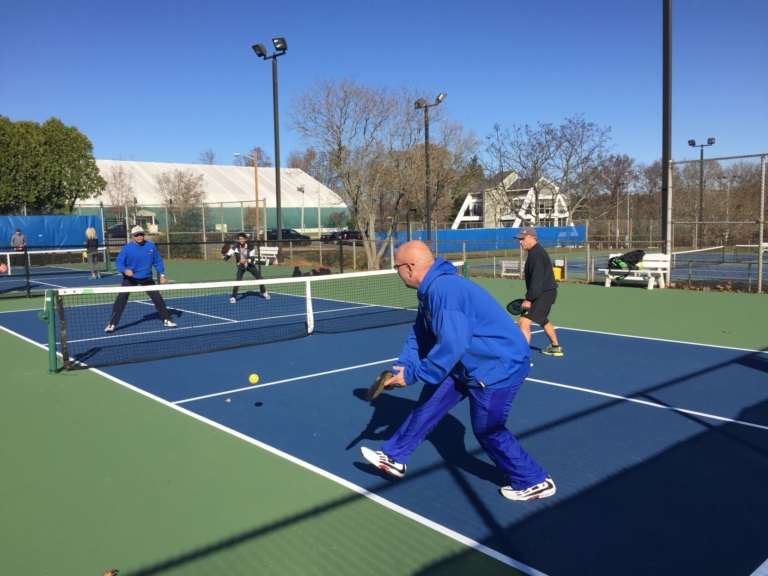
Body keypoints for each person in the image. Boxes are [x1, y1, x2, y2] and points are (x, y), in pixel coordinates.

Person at [360, 241, 555, 501]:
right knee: (428, 404)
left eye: (396, 267)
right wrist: (406, 365)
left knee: (488, 430)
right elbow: (421, 333)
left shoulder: (446, 291)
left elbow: (452, 345)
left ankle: (534, 480)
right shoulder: (432, 290)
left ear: (408, 268)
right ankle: (394, 457)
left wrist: (413, 375)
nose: (397, 273)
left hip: (496, 368)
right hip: (466, 363)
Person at [104, 226, 177, 333]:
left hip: (146, 278)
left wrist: (162, 274)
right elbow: (119, 263)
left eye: (141, 234)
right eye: (137, 235)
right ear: (132, 236)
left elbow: (157, 262)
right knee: (121, 298)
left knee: (157, 297)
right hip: (130, 278)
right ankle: (112, 323)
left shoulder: (151, 246)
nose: (139, 236)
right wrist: (125, 270)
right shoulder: (127, 248)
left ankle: (167, 319)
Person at [514, 226, 563, 356]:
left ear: (532, 238)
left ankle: (523, 357)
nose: (520, 242)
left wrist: (529, 299)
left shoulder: (536, 254)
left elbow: (536, 280)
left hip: (542, 293)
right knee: (542, 319)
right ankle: (555, 347)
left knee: (523, 321)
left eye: (523, 239)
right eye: (519, 239)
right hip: (547, 292)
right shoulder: (535, 253)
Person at [222, 232, 269, 303]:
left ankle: (263, 292)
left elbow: (252, 259)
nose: (241, 241)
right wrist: (224, 257)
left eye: (243, 239)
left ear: (245, 239)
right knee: (238, 281)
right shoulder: (235, 247)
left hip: (251, 266)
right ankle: (233, 297)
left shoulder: (251, 247)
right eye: (240, 239)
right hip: (241, 267)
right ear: (238, 240)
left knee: (260, 278)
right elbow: (229, 255)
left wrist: (246, 260)